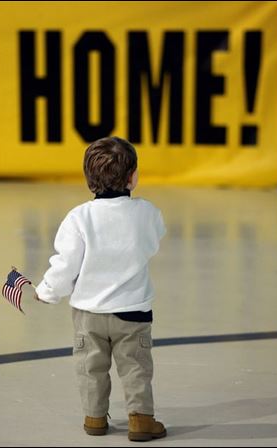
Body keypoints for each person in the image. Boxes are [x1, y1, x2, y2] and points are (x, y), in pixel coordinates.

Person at [34, 136, 167, 441]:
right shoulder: (147, 212)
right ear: (132, 177)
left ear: (88, 179)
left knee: (90, 367)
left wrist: (47, 291)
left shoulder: (78, 218)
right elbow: (153, 241)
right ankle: (141, 420)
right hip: (133, 311)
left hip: (89, 312)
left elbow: (66, 264)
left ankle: (95, 419)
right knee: (136, 367)